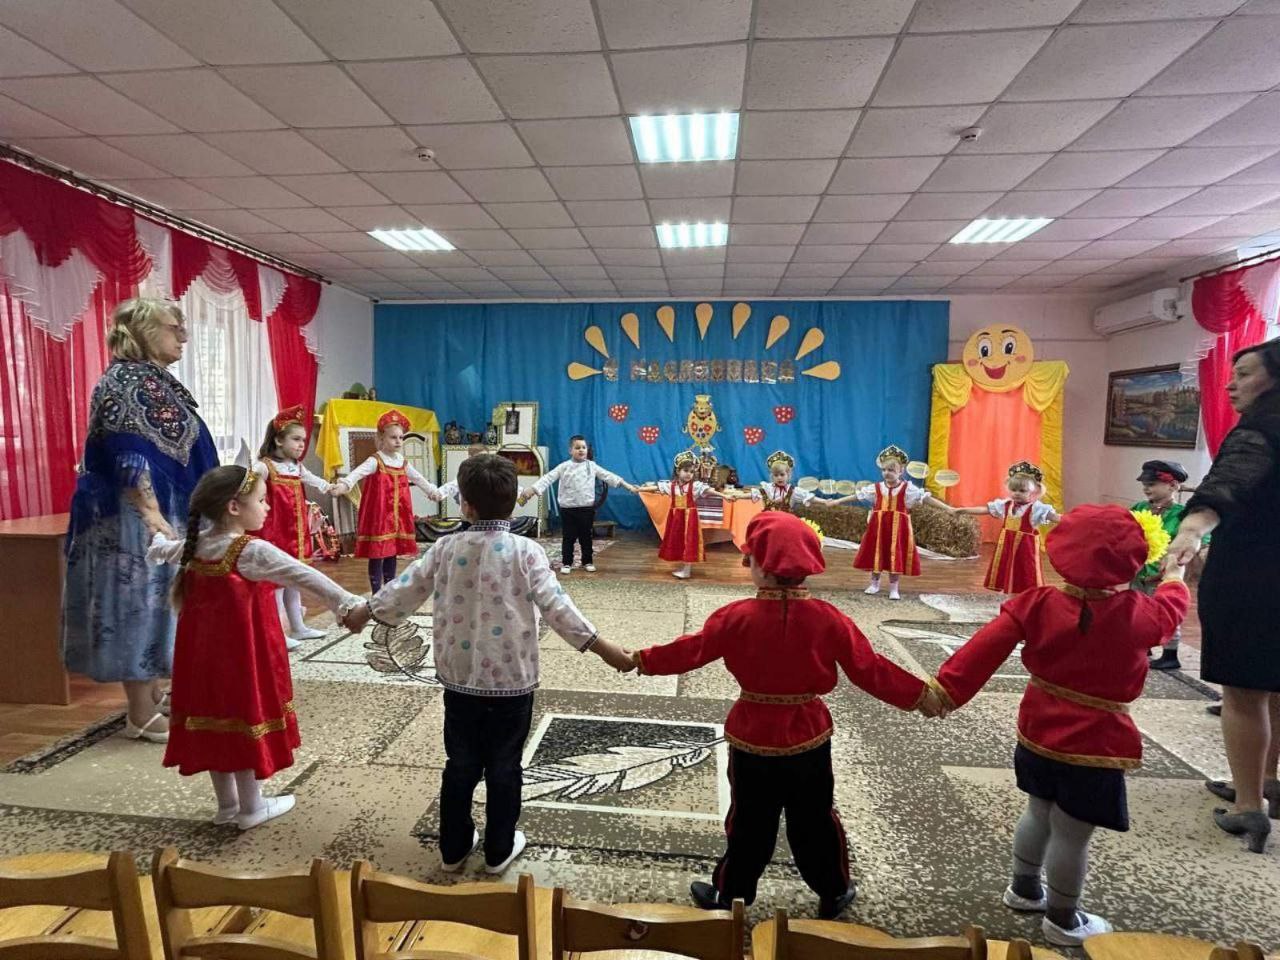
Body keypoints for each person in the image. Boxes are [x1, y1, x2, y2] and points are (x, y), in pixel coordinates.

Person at [628, 512, 940, 917]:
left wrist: (642, 659)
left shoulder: (734, 617)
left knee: (748, 822)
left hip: (752, 735)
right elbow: (870, 668)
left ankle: (731, 896)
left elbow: (691, 650)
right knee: (815, 819)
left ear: (759, 565)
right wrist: (920, 695)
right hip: (809, 734)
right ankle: (833, 891)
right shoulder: (830, 619)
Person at [344, 454, 633, 873]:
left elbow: (405, 588)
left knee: (460, 764)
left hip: (459, 680)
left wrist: (365, 611)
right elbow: (558, 607)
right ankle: (499, 849)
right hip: (512, 682)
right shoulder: (527, 551)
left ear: (465, 504)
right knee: (505, 766)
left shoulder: (445, 547)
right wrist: (603, 648)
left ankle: (453, 847)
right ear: (514, 503)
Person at [930, 504, 1188, 946]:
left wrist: (945, 690)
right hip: (1095, 745)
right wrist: (1175, 577)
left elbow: (981, 650)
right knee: (1072, 833)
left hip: (1036, 731)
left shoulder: (1036, 602)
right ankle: (1064, 920)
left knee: (1037, 810)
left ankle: (1024, 888)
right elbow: (1171, 611)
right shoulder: (1138, 612)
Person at [148, 466, 363, 830]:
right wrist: (348, 603)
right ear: (234, 507)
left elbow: (162, 550)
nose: (267, 507)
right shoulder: (250, 550)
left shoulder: (194, 546)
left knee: (214, 722)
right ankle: (252, 807)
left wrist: (155, 537)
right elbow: (304, 575)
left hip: (200, 663)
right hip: (241, 661)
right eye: (262, 500)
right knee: (243, 719)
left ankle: (227, 806)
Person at [62, 298, 219, 744]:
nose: (183, 336)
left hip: (163, 509)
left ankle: (152, 693)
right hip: (134, 517)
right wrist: (150, 512)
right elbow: (127, 453)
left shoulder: (153, 379)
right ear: (146, 332)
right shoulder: (123, 381)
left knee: (162, 603)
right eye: (174, 327)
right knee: (139, 605)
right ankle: (140, 713)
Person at [1167, 339, 1280, 854]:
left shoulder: (1260, 428)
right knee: (1274, 685)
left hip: (1255, 575)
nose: (1231, 385)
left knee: (1243, 692)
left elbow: (1227, 486)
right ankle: (1268, 780)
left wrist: (1191, 530)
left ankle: (1248, 805)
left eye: (1244, 374)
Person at [254, 404, 339, 649]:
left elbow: (314, 481)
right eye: (296, 439)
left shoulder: (296, 467)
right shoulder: (265, 467)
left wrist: (331, 487)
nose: (302, 444)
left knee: (293, 580)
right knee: (278, 584)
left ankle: (299, 627)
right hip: (275, 534)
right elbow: (249, 488)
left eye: (303, 440)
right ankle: (278, 633)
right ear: (278, 440)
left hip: (296, 534)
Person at [330, 409, 439, 593]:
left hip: (397, 517)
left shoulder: (402, 461)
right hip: (380, 517)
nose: (398, 441)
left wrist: (432, 491)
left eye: (401, 438)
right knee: (378, 553)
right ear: (381, 438)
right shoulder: (376, 460)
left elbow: (418, 478)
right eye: (393, 437)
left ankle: (389, 589)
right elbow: (357, 473)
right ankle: (376, 592)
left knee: (391, 552)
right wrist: (344, 485)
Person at [518, 434, 638, 574]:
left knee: (586, 537)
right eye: (577, 447)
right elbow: (548, 478)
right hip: (568, 509)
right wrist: (532, 489)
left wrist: (628, 486)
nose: (581, 450)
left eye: (583, 447)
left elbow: (609, 476)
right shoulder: (564, 467)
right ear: (570, 450)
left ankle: (587, 561)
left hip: (586, 509)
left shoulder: (591, 466)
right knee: (568, 537)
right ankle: (567, 563)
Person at [846, 444, 951, 600]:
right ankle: (874, 583)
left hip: (898, 528)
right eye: (884, 470)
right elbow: (858, 496)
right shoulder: (876, 488)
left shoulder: (907, 488)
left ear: (901, 471)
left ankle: (894, 588)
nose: (886, 473)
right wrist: (834, 502)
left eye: (891, 470)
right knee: (877, 552)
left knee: (895, 554)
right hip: (879, 527)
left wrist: (948, 508)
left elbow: (926, 498)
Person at [950, 461, 1059, 594]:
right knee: (1007, 570)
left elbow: (1054, 517)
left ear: (1034, 491)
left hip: (1026, 549)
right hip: (1007, 547)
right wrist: (963, 510)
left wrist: (1074, 520)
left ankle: (1027, 597)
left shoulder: (1036, 508)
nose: (1016, 493)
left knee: (1026, 572)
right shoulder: (1005, 505)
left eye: (1022, 491)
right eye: (1013, 490)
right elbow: (985, 509)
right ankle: (1009, 595)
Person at [1130, 460, 1196, 670]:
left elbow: (1197, 539)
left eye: (1152, 484)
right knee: (1138, 610)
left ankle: (1170, 654)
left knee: (1167, 612)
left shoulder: (1183, 514)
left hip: (1164, 574)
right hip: (1139, 571)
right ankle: (1144, 645)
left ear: (1173, 485)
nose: (1146, 488)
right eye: (1144, 484)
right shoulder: (1139, 508)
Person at [643, 450, 729, 579]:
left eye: (692, 472)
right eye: (686, 471)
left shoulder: (694, 486)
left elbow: (708, 490)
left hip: (689, 519)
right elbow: (656, 487)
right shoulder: (672, 486)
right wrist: (639, 489)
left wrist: (723, 495)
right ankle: (684, 567)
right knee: (679, 541)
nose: (689, 474)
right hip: (676, 519)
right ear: (678, 471)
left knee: (689, 541)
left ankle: (687, 570)